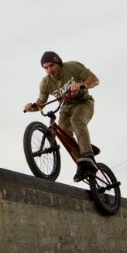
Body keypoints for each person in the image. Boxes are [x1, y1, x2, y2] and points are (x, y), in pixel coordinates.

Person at [23, 51, 100, 181]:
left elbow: (95, 80)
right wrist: (32, 107)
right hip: (65, 108)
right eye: (46, 67)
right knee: (63, 134)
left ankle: (88, 156)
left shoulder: (72, 67)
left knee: (76, 121)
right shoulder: (46, 83)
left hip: (83, 103)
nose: (49, 70)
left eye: (52, 65)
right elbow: (41, 102)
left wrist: (80, 85)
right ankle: (81, 163)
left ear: (58, 63)